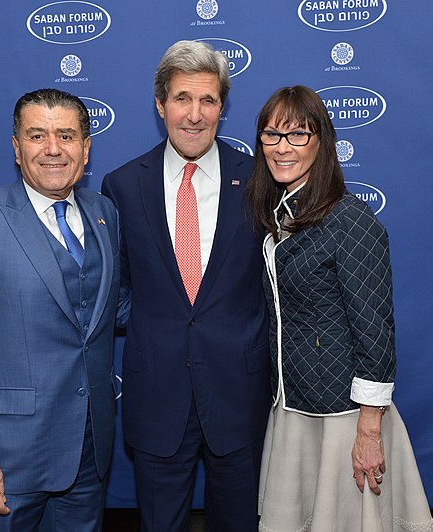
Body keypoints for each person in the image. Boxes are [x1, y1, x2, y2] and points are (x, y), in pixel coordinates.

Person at [0, 88, 128, 532]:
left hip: (88, 449)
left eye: (66, 135)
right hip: (7, 457)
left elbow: (112, 308)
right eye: (37, 136)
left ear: (86, 146)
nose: (54, 149)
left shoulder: (104, 213)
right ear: (17, 148)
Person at [245, 85, 433, 532]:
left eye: (297, 135)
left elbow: (375, 328)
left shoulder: (349, 218)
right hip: (292, 405)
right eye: (271, 135)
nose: (281, 147)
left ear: (321, 141)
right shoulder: (277, 214)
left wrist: (369, 429)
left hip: (344, 416)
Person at [101, 40, 270, 531]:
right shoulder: (123, 185)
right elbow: (118, 286)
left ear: (222, 107)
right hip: (157, 394)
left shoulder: (258, 178)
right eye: (182, 98)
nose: (194, 115)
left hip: (240, 392)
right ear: (160, 104)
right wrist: (158, 325)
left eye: (208, 100)